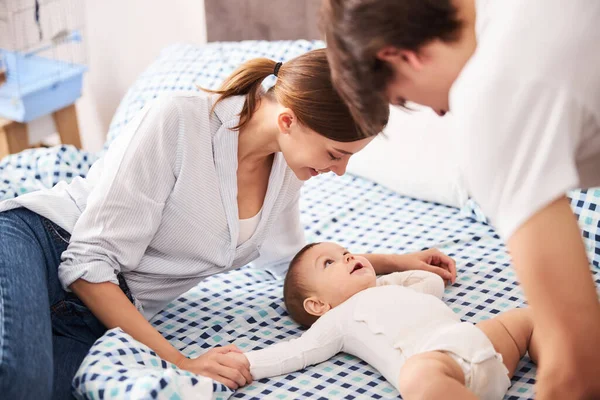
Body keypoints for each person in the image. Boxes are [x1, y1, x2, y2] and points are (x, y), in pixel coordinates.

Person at [0, 48, 457, 399]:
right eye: (335, 154)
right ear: (287, 120)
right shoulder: (178, 121)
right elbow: (88, 262)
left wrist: (389, 262)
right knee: (21, 378)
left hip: (101, 314)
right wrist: (181, 363)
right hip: (41, 244)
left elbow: (289, 263)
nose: (338, 172)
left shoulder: (284, 176)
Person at [320, 1, 600, 398]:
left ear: (402, 56)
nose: (436, 112)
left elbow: (575, 364)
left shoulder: (490, 96)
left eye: (403, 98)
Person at [223, 242, 539, 400]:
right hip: (438, 367)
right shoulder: (337, 320)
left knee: (530, 319)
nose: (348, 257)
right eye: (330, 262)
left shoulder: (389, 286)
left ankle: (573, 373)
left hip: (478, 341)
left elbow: (431, 283)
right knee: (418, 377)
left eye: (347, 252)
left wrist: (382, 277)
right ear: (318, 304)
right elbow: (295, 352)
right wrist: (242, 363)